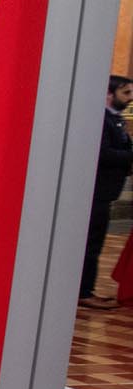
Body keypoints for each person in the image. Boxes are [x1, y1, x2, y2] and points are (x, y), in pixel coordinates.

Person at [80, 74, 132, 310]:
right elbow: (103, 154)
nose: (130, 99)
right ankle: (84, 292)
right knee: (90, 243)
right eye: (126, 93)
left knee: (96, 242)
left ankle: (86, 288)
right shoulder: (101, 120)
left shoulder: (116, 120)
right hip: (96, 191)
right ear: (109, 94)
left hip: (107, 191)